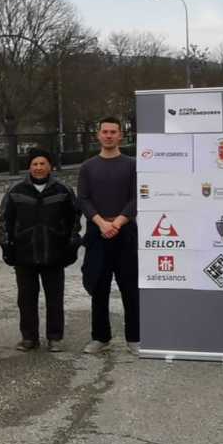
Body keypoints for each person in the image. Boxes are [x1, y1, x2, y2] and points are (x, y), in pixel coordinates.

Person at [0, 148, 81, 352]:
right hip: (24, 255)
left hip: (54, 254)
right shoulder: (15, 191)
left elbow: (74, 221)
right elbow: (5, 221)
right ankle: (29, 338)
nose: (38, 167)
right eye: (34, 164)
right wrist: (7, 247)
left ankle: (55, 338)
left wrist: (71, 247)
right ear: (29, 167)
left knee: (55, 299)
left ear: (50, 166)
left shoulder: (63, 191)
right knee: (26, 300)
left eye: (42, 163)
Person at [78, 117, 140, 354]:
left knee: (130, 287)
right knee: (99, 286)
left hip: (125, 233)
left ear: (121, 135)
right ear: (98, 135)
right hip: (98, 233)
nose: (109, 135)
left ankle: (134, 337)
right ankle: (100, 337)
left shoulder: (132, 165)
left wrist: (118, 222)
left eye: (113, 132)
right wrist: (102, 223)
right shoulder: (88, 167)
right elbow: (83, 199)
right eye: (105, 131)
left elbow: (137, 197)